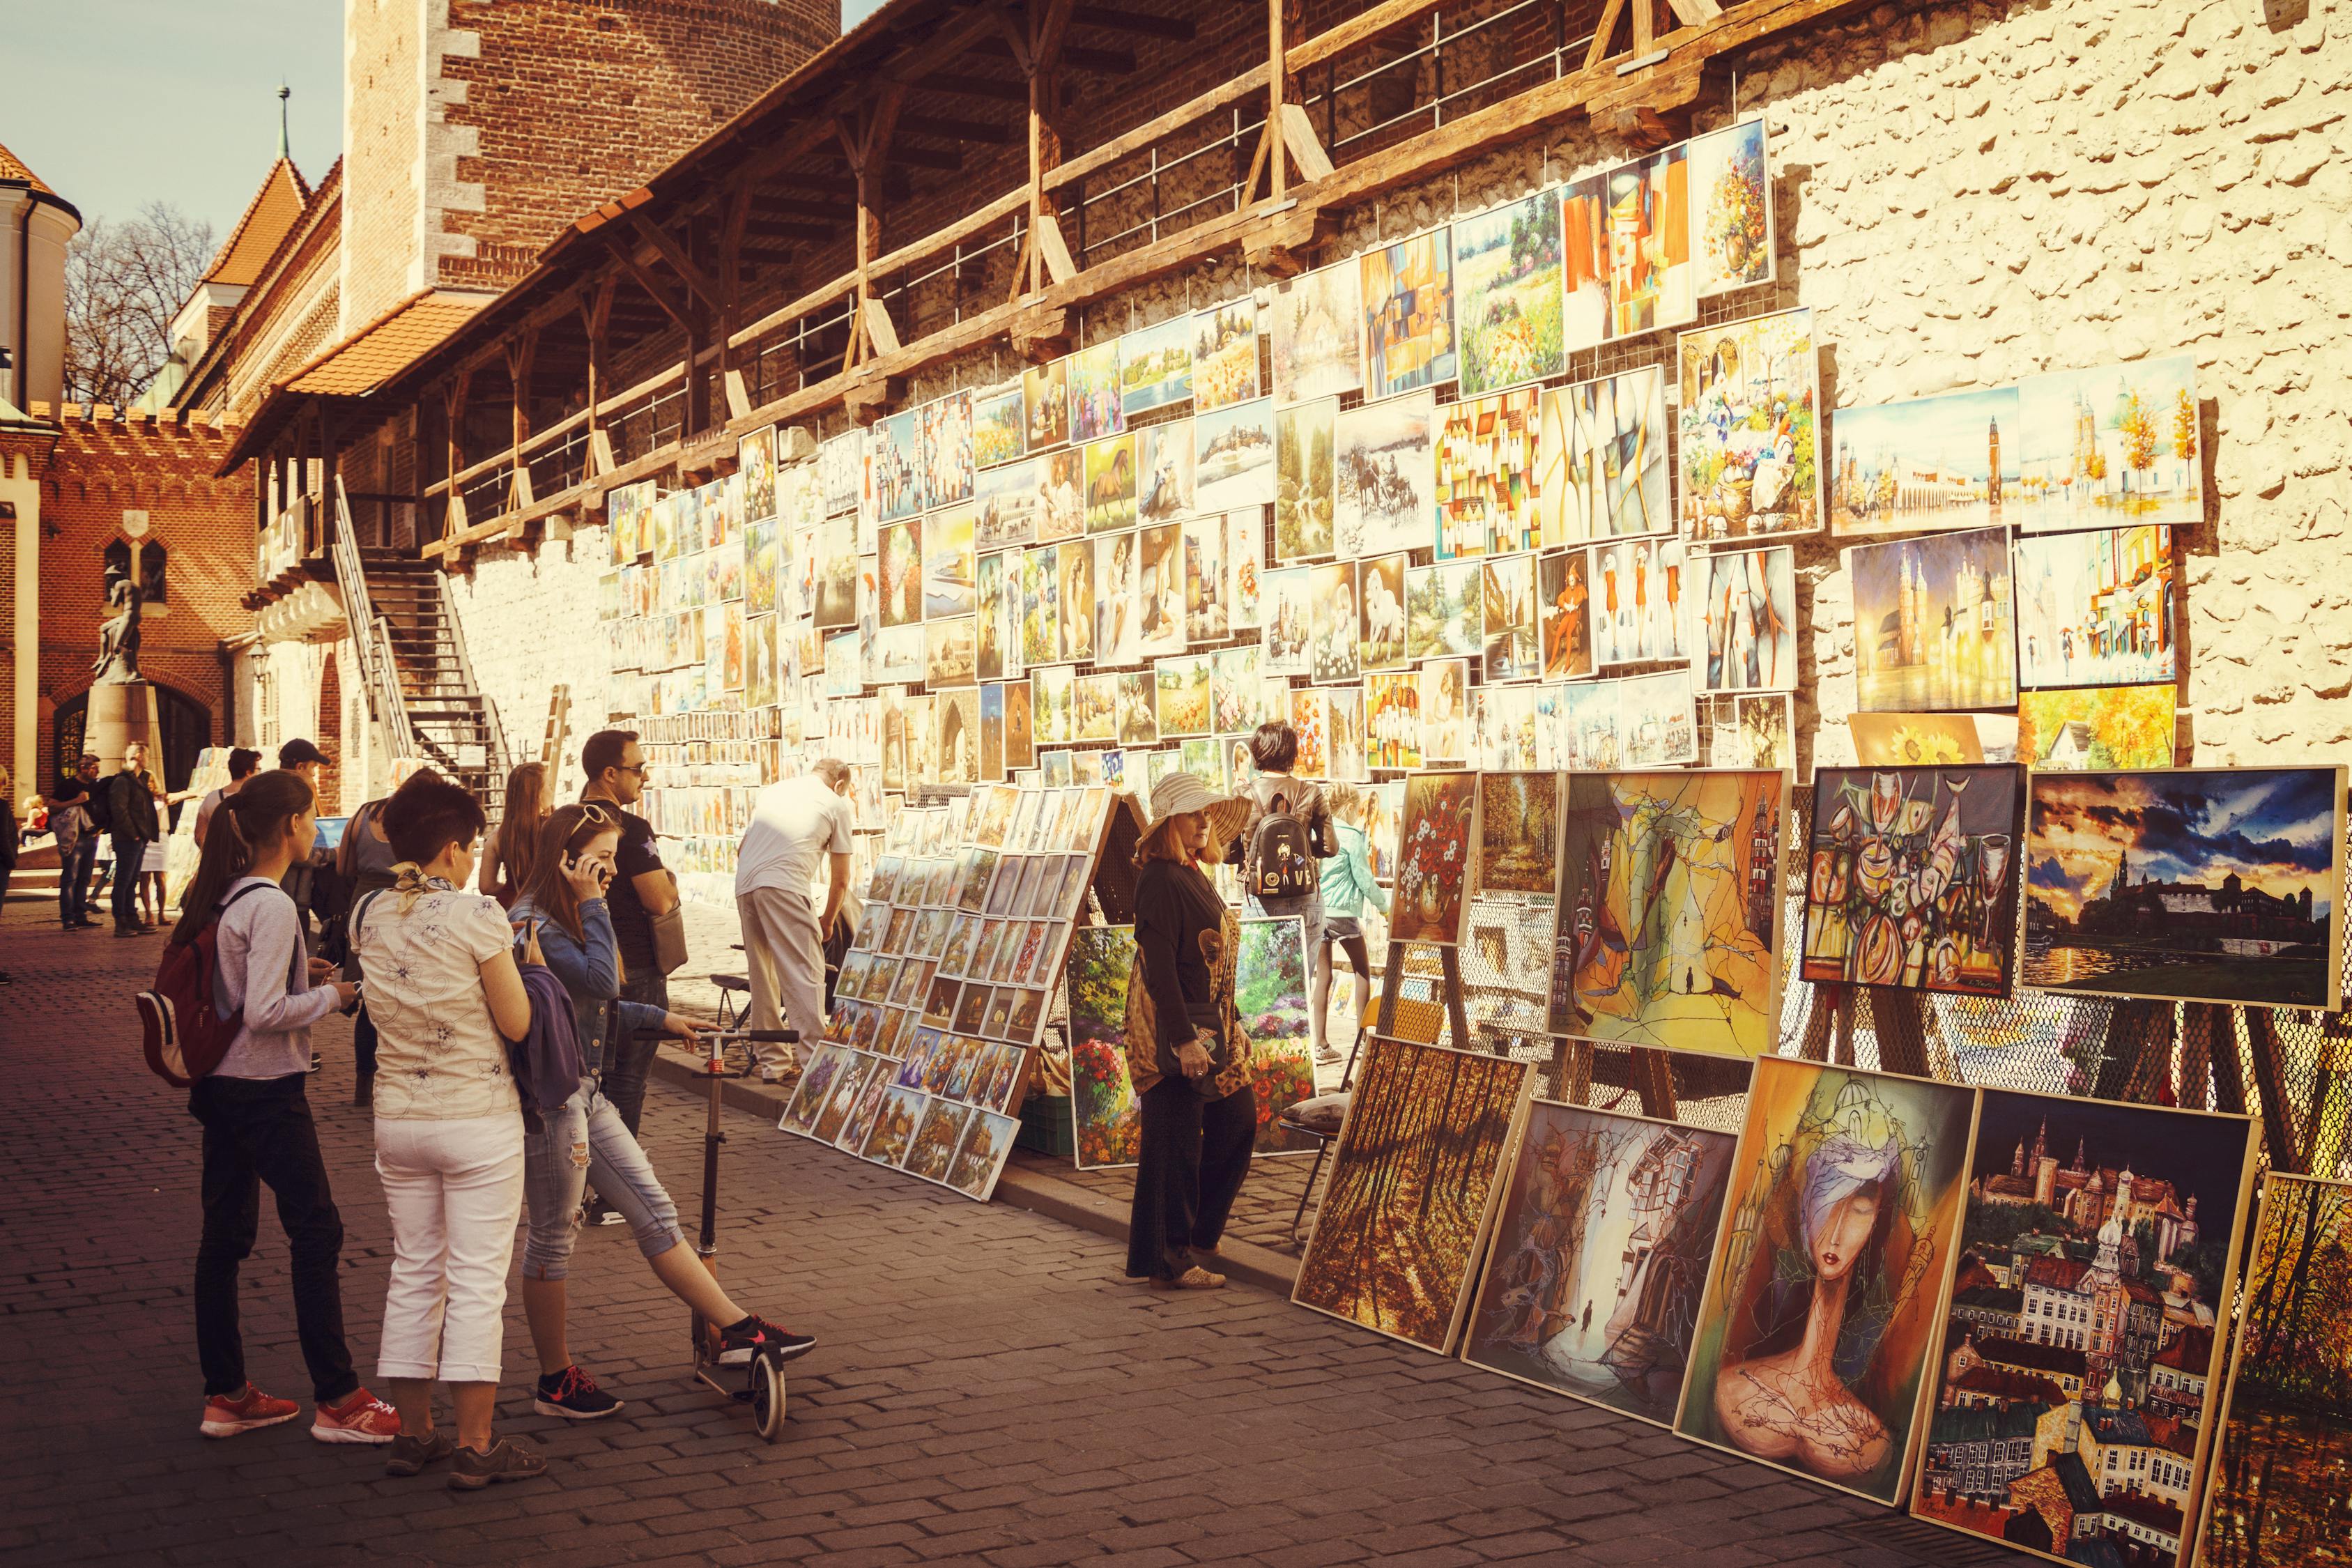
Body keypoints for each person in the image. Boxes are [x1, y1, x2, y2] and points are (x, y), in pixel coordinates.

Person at [512, 804, 815, 1418]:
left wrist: (661, 1018)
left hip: (586, 1093)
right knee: (552, 1237)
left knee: (655, 1211)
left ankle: (734, 1327)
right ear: (565, 858)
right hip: (553, 1099)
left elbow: (589, 1009)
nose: (611, 873)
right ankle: (554, 1379)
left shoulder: (570, 912)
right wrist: (594, 904)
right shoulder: (533, 921)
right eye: (600, 859)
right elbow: (602, 984)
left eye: (614, 860)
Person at [172, 768, 401, 1447]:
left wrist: (309, 976)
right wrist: (337, 998)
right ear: (291, 827)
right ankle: (337, 1396)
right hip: (264, 1089)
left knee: (225, 1237)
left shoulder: (225, 893)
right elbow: (266, 1011)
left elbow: (240, 987)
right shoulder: (270, 904)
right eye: (312, 817)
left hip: (222, 1086)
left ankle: (227, 1393)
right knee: (317, 1230)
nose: (317, 827)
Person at [353, 770, 541, 1488]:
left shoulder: (368, 913)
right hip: (476, 1119)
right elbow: (517, 1021)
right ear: (456, 849)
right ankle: (475, 1442)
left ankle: (413, 1433)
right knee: (474, 1279)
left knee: (414, 1271)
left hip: (399, 1120)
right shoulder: (477, 916)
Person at [1124, 773, 1257, 1293]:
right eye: (1192, 814)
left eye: (1206, 814)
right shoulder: (1158, 877)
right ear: (1168, 825)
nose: (1203, 822)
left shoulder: (1192, 872)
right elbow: (1160, 967)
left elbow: (1211, 962)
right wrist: (1181, 1039)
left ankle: (1199, 1235)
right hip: (1170, 1025)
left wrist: (1236, 1021)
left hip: (1210, 1021)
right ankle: (1168, 1260)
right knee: (1173, 1143)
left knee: (1236, 1121)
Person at [578, 730, 677, 1220]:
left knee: (587, 1081)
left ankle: (579, 1184)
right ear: (610, 774)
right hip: (634, 964)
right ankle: (614, 1196)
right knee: (628, 1084)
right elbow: (659, 899)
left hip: (580, 963)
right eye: (638, 769)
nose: (644, 777)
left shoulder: (564, 822)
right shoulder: (632, 830)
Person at [732, 759, 854, 1083]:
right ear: (839, 784)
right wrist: (828, 920)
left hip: (746, 884)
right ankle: (815, 1064)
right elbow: (841, 880)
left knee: (763, 976)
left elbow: (742, 848)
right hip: (784, 884)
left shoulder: (774, 791)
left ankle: (773, 1064)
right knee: (805, 972)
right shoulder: (835, 803)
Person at [1231, 722, 1339, 1052]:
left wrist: (1253, 853)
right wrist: (1302, 849)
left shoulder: (1243, 796)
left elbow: (1224, 853)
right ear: (1293, 754)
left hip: (1260, 898)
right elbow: (1332, 847)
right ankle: (1298, 1064)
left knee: (1261, 988)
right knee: (1297, 988)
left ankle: (1264, 1062)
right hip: (1306, 896)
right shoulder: (1311, 792)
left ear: (1257, 753)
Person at [334, 794, 403, 1107]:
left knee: (370, 996)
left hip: (363, 904)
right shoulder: (415, 818)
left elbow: (343, 867)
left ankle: (364, 1082)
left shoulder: (362, 813)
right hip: (400, 904)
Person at [1316, 783, 1389, 1069]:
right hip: (1343, 913)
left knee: (1323, 977)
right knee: (1362, 970)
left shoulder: (1318, 831)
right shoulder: (1351, 836)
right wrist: (1385, 907)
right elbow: (1364, 878)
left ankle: (1321, 1044)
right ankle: (1362, 1040)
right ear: (1348, 808)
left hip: (1320, 911)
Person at [103, 742, 162, 937]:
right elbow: (119, 810)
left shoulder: (141, 779)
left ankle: (132, 918)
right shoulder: (123, 781)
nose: (149, 759)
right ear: (138, 756)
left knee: (132, 880)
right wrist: (134, 833)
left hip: (139, 838)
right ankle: (120, 922)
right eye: (147, 755)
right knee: (123, 880)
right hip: (127, 838)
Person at [478, 761, 551, 909]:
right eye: (549, 786)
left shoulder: (497, 837)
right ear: (537, 795)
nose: (552, 790)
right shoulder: (554, 830)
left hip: (512, 909)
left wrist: (513, 890)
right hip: (548, 908)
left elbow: (486, 886)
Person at [51, 753, 102, 930]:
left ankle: (81, 916)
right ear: (83, 768)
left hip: (92, 837)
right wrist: (76, 801)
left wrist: (101, 828)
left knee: (85, 878)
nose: (98, 771)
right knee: (70, 878)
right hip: (73, 838)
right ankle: (68, 918)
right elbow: (52, 806)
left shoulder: (96, 787)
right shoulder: (67, 785)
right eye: (94, 768)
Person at [194, 748, 263, 848]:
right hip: (250, 861)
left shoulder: (211, 798)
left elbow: (199, 836)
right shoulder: (258, 799)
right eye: (258, 769)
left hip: (219, 860)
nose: (259, 773)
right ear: (248, 772)